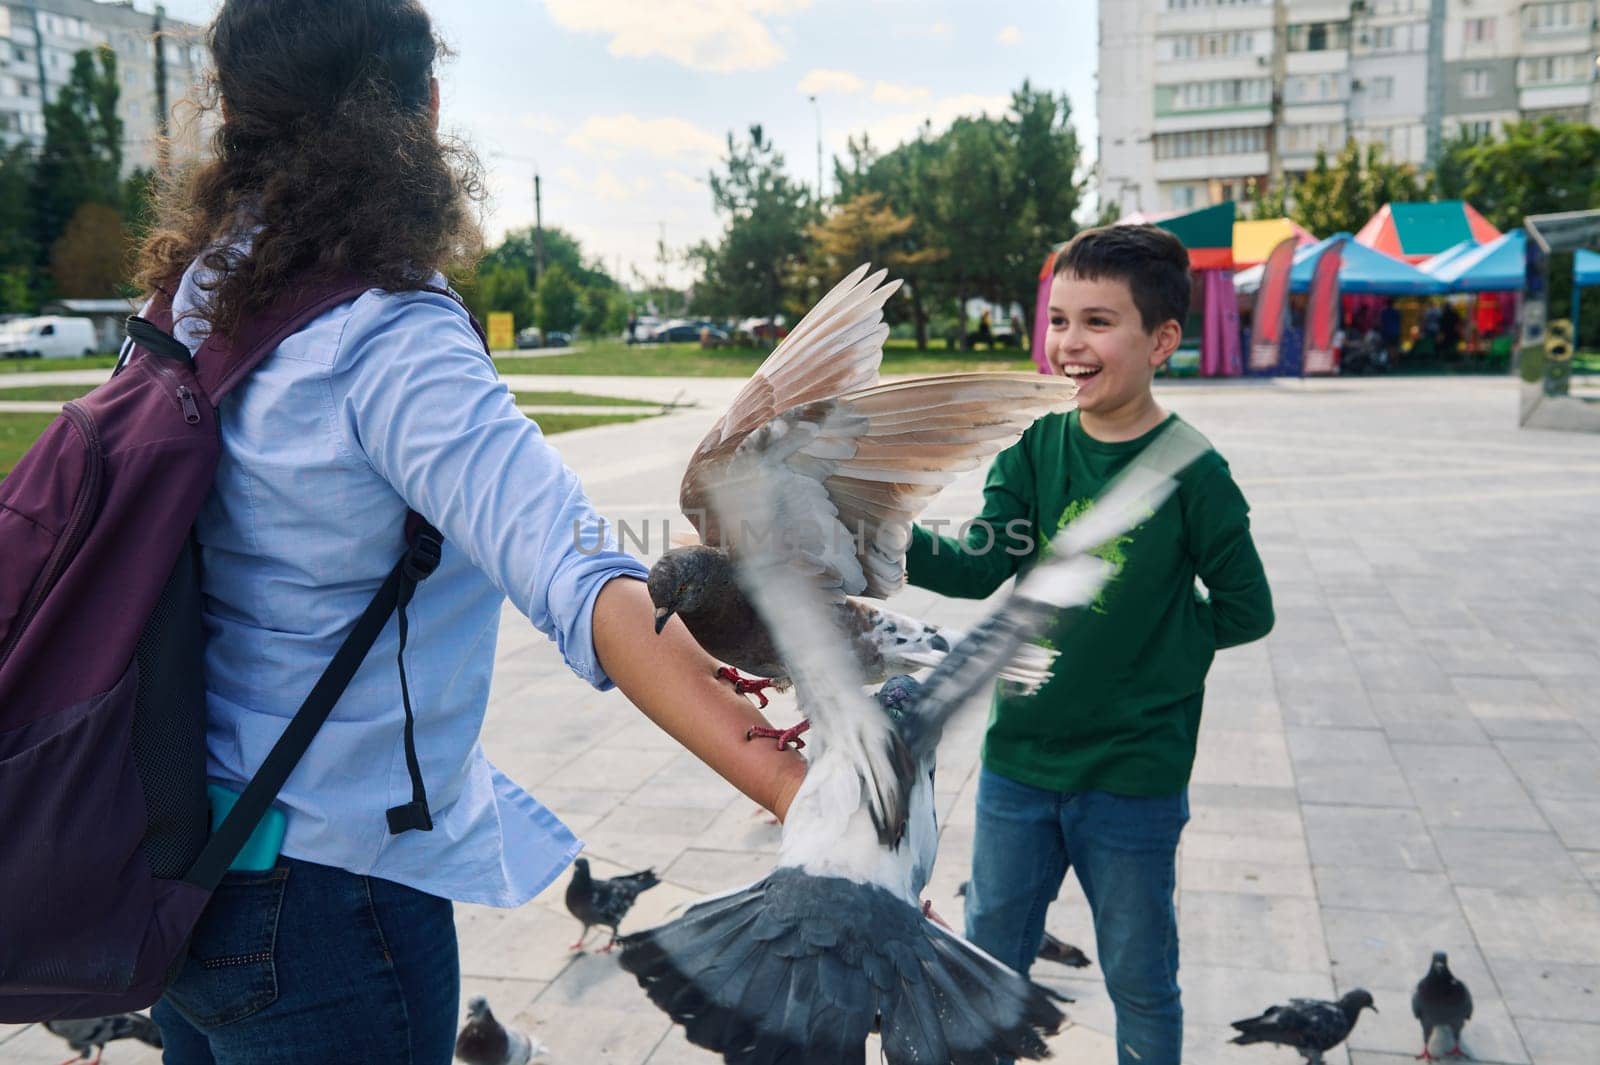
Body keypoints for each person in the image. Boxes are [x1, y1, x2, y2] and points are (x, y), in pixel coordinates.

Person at [131, 2, 805, 1061]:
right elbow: (582, 579)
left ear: (233, 116)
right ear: (426, 113)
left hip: (168, 852)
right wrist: (802, 793)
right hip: (327, 890)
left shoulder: (186, 302)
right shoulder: (389, 337)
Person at [904, 225, 1274, 1065]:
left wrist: (1153, 661)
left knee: (1142, 979)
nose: (1070, 342)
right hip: (1019, 770)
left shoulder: (1194, 472)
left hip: (1134, 780)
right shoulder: (1036, 445)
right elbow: (975, 567)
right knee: (987, 967)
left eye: (1099, 322)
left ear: (1162, 340)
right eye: (1060, 319)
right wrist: (885, 533)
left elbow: (1248, 608)